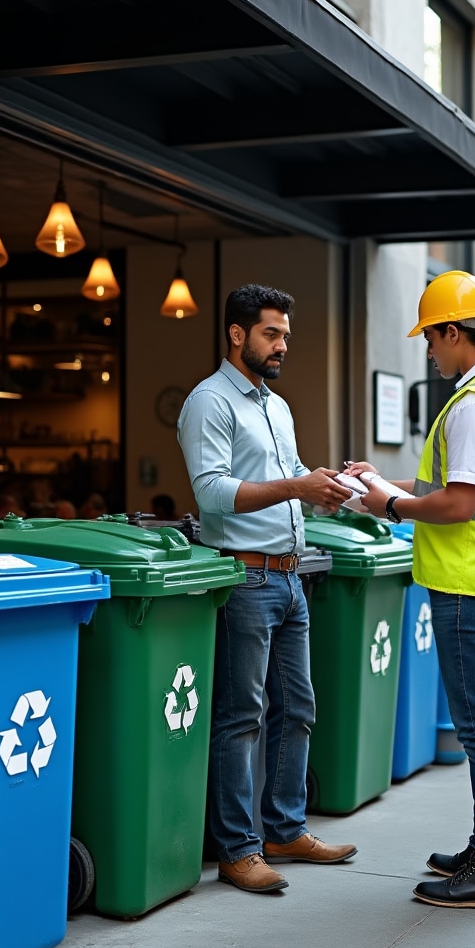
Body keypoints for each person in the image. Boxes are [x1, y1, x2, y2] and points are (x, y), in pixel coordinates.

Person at [347, 270, 475, 911]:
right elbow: (456, 484)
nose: (428, 350)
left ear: (455, 333)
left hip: (470, 580)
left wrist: (392, 505)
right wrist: (388, 486)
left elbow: (458, 504)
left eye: (431, 337)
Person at [177, 283, 357, 894]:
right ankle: (237, 849)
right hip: (246, 577)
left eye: (285, 335)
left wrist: (331, 485)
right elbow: (212, 493)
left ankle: (283, 829)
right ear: (237, 334)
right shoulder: (210, 402)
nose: (282, 345)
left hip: (289, 575)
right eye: (271, 334)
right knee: (241, 716)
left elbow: (290, 484)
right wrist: (297, 487)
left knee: (298, 708)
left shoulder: (275, 407)